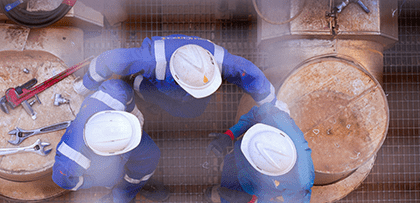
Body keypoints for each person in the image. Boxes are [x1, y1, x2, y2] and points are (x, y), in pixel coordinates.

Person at [78, 34, 289, 118]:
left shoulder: (220, 61)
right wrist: (85, 86)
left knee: (191, 111)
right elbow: (106, 60)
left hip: (186, 93)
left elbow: (251, 74)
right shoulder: (150, 59)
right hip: (154, 85)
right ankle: (137, 86)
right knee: (148, 92)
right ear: (178, 78)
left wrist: (272, 103)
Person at [52, 79, 168, 203]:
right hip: (104, 168)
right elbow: (63, 180)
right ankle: (116, 197)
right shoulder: (70, 160)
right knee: (111, 178)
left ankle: (126, 193)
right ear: (106, 152)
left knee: (150, 155)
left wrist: (133, 113)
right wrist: (93, 181)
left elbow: (123, 88)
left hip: (128, 134)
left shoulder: (114, 94)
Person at [205, 100, 315, 203]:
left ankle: (226, 198)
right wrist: (230, 134)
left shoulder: (299, 184)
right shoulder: (276, 118)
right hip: (239, 156)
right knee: (229, 164)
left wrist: (253, 201)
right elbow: (255, 114)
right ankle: (226, 172)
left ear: (264, 170)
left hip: (255, 187)